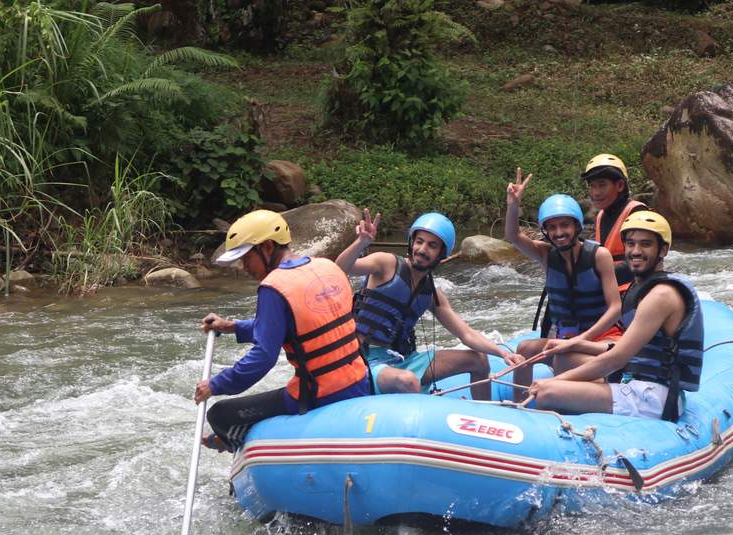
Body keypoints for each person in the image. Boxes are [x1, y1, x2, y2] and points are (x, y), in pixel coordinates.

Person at [195, 209, 370, 451]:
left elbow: (263, 358)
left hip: (320, 395)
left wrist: (216, 384)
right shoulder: (327, 267)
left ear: (267, 247)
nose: (244, 266)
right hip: (360, 381)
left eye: (246, 257)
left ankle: (242, 447)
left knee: (219, 415)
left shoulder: (273, 286)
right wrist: (233, 327)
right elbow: (304, 326)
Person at [527, 211, 703, 422]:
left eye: (645, 244)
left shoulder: (661, 295)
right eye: (630, 244)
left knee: (548, 393)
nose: (635, 251)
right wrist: (574, 344)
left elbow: (616, 359)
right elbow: (625, 349)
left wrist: (556, 382)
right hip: (633, 382)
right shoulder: (642, 289)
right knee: (565, 356)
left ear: (663, 250)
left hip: (653, 396)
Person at [335, 209, 522, 400]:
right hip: (365, 360)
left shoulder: (431, 294)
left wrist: (503, 353)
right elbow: (340, 269)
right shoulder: (386, 264)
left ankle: (483, 417)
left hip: (403, 360)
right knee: (408, 381)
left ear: (441, 254)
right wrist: (361, 243)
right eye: (419, 242)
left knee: (479, 360)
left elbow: (466, 334)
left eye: (432, 245)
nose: (423, 249)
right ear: (411, 243)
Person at [502, 168, 621, 401]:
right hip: (566, 338)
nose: (559, 232)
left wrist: (581, 340)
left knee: (564, 359)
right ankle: (520, 406)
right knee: (525, 348)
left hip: (601, 339)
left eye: (565, 225)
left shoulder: (599, 255)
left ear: (576, 226)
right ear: (545, 231)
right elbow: (513, 236)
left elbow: (615, 307)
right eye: (552, 227)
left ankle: (601, 382)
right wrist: (513, 204)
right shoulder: (546, 255)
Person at [580, 153, 647, 288]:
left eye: (602, 185)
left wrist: (599, 278)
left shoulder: (636, 213)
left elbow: (641, 261)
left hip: (635, 291)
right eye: (592, 186)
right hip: (611, 291)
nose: (596, 192)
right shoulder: (600, 216)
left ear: (620, 185)